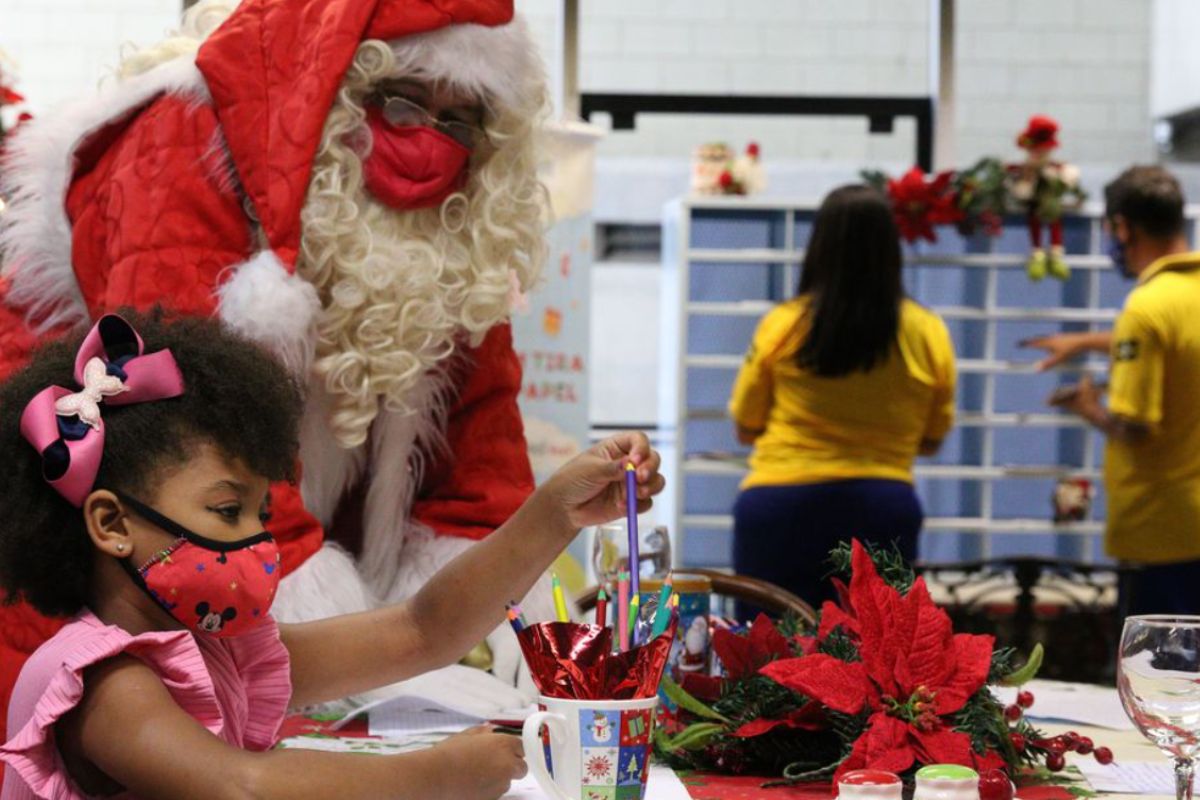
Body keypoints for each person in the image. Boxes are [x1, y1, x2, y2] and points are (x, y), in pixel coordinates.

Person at [0, 0, 552, 728]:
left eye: (462, 120)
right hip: (93, 553)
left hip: (248, 574)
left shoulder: (452, 227)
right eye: (403, 103)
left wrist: (494, 599)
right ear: (334, 84)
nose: (430, 146)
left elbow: (482, 448)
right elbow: (185, 440)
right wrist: (363, 650)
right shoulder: (184, 145)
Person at [0, 312, 664, 800]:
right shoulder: (104, 683)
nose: (258, 542)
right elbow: (243, 787)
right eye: (227, 511)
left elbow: (421, 631)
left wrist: (555, 513)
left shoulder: (219, 651)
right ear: (112, 524)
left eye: (262, 515)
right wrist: (430, 777)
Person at [727, 185, 956, 608]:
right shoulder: (927, 331)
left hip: (779, 507)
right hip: (882, 509)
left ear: (820, 245)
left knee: (763, 660)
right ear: (891, 247)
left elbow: (745, 425)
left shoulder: (783, 325)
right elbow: (933, 438)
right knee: (872, 658)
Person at [1032, 166, 1200, 615]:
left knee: (1163, 677)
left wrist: (1089, 408)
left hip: (1161, 532)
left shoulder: (1145, 309)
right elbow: (1180, 348)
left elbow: (1137, 426)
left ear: (1123, 226)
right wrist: (1089, 342)